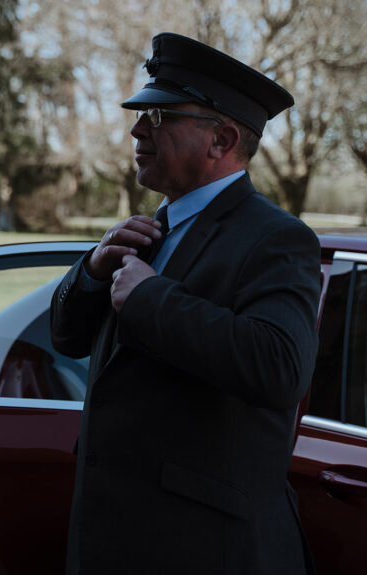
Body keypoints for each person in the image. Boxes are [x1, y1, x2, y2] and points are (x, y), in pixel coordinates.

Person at [50, 32, 321, 574]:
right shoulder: (148, 229)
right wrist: (92, 270)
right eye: (140, 117)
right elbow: (66, 338)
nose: (136, 130)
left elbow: (280, 368)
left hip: (202, 548)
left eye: (158, 117)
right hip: (112, 538)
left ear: (221, 139)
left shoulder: (277, 238)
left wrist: (151, 299)